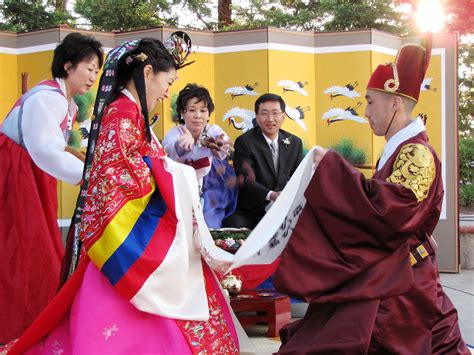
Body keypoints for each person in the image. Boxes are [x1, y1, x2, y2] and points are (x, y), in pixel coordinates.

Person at [6, 36, 241, 354]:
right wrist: (174, 174)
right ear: (147, 74)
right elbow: (118, 174)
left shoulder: (130, 114)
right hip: (124, 234)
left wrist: (172, 171)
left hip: (129, 227)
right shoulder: (120, 114)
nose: (168, 91)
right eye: (168, 81)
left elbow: (138, 165)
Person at [273, 36, 469, 353]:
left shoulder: (416, 153)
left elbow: (390, 210)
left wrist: (334, 171)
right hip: (398, 276)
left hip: (402, 284)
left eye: (370, 101)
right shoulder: (400, 150)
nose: (365, 111)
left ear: (395, 103)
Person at [0, 32, 103, 344]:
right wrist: (89, 175)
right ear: (68, 65)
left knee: (37, 249)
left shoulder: (64, 102)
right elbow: (45, 150)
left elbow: (52, 147)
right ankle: (20, 330)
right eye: (89, 68)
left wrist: (79, 159)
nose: (93, 76)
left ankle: (33, 327)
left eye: (97, 71)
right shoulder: (48, 98)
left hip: (31, 176)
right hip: (15, 175)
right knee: (25, 251)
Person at [224, 93, 303, 229]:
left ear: (283, 117)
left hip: (283, 209)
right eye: (264, 113)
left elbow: (299, 177)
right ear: (257, 117)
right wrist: (271, 195)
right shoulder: (245, 142)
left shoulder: (294, 142)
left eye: (275, 113)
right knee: (232, 227)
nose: (270, 119)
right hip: (253, 210)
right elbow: (246, 179)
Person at [163, 83, 237, 228]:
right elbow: (170, 147)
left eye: (203, 110)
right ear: (182, 113)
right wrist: (183, 144)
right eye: (192, 110)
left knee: (209, 220)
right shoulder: (176, 132)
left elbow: (222, 147)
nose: (198, 116)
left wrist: (218, 146)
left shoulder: (213, 130)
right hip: (179, 183)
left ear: (209, 114)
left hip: (210, 181)